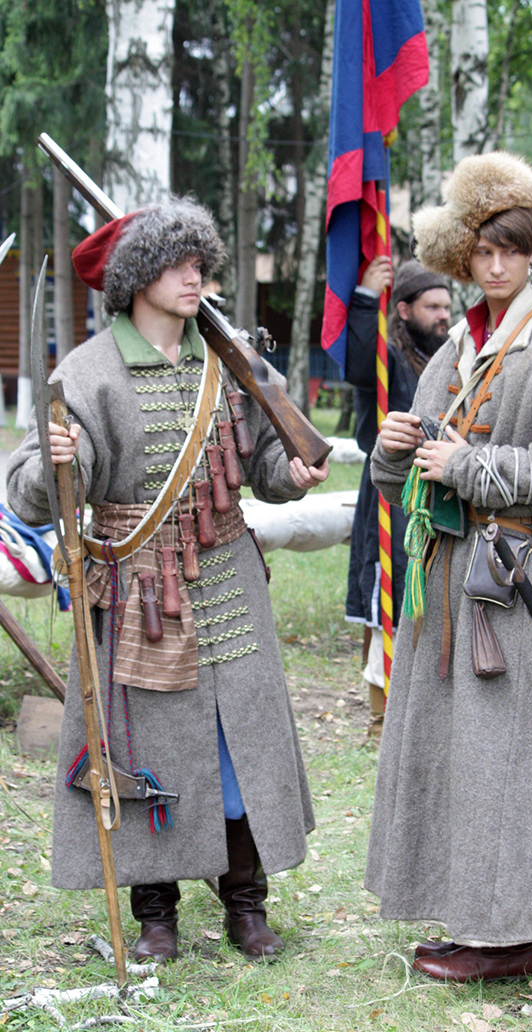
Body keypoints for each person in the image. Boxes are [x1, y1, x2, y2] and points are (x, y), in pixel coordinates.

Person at [7, 198, 328, 964]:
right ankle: (156, 914)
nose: (196, 278)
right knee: (144, 747)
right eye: (179, 264)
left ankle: (246, 904)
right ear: (137, 275)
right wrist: (61, 460)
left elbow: (261, 461)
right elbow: (30, 490)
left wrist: (290, 473)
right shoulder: (86, 371)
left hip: (228, 580)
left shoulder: (229, 356)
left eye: (200, 264)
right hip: (137, 589)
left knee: (237, 743)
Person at [363, 152, 532, 982]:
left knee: (509, 757)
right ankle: (472, 915)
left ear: (529, 252)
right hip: (447, 576)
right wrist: (394, 450)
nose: (495, 266)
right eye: (482, 251)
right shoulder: (456, 345)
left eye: (511, 251)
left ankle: (511, 935)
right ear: (463, 254)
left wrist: (477, 469)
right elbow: (414, 473)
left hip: (516, 580)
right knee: (458, 755)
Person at [345, 258, 451, 739]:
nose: (443, 315)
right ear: (404, 310)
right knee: (386, 598)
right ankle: (381, 718)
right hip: (389, 496)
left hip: (438, 492)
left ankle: (422, 711)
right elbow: (356, 363)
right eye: (432, 307)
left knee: (432, 597)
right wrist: (367, 298)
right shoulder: (385, 357)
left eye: (447, 306)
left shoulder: (446, 359)